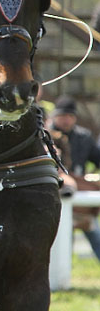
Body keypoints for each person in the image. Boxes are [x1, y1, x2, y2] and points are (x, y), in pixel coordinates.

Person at [48, 95, 100, 262]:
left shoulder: (84, 137)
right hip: (53, 194)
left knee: (95, 234)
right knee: (61, 240)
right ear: (55, 116)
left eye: (70, 116)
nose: (66, 120)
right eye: (63, 116)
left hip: (77, 194)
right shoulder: (45, 135)